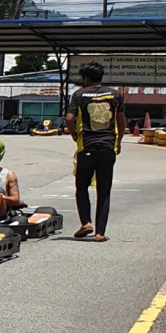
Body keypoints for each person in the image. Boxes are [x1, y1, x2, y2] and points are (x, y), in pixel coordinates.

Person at [66, 61, 124, 241]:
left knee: (81, 187)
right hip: (108, 147)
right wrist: (119, 142)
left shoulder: (79, 95)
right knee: (104, 191)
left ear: (87, 78)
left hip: (87, 147)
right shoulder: (115, 95)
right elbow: (121, 122)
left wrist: (75, 135)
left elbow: (69, 118)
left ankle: (86, 223)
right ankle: (99, 233)